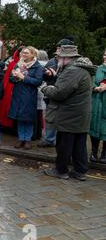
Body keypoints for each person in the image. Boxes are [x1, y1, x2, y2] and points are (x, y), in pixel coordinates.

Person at [41, 46, 96, 181]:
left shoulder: (72, 71)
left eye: (59, 57)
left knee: (64, 144)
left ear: (66, 58)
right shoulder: (81, 69)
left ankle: (61, 170)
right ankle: (79, 171)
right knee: (79, 145)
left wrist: (45, 88)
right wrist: (56, 77)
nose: (57, 59)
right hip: (80, 113)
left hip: (69, 114)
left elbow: (60, 93)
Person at [38, 38, 75, 148]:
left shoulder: (72, 64)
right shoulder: (52, 61)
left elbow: (68, 81)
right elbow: (43, 75)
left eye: (60, 48)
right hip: (51, 95)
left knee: (62, 120)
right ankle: (49, 139)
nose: (58, 50)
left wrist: (55, 76)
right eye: (58, 47)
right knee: (50, 118)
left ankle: (60, 141)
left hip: (64, 96)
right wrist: (47, 74)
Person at [9, 47, 43, 150]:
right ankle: (21, 139)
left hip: (29, 96)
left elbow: (38, 81)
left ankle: (27, 139)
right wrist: (15, 77)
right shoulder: (18, 64)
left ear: (33, 54)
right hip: (17, 95)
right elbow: (11, 79)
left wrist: (23, 77)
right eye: (23, 52)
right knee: (19, 118)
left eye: (26, 53)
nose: (23, 54)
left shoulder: (37, 67)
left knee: (27, 118)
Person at [89, 49, 106, 164]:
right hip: (96, 101)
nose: (105, 57)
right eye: (105, 54)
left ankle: (105, 154)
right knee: (94, 125)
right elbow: (89, 83)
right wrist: (96, 88)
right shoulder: (97, 69)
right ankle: (94, 152)